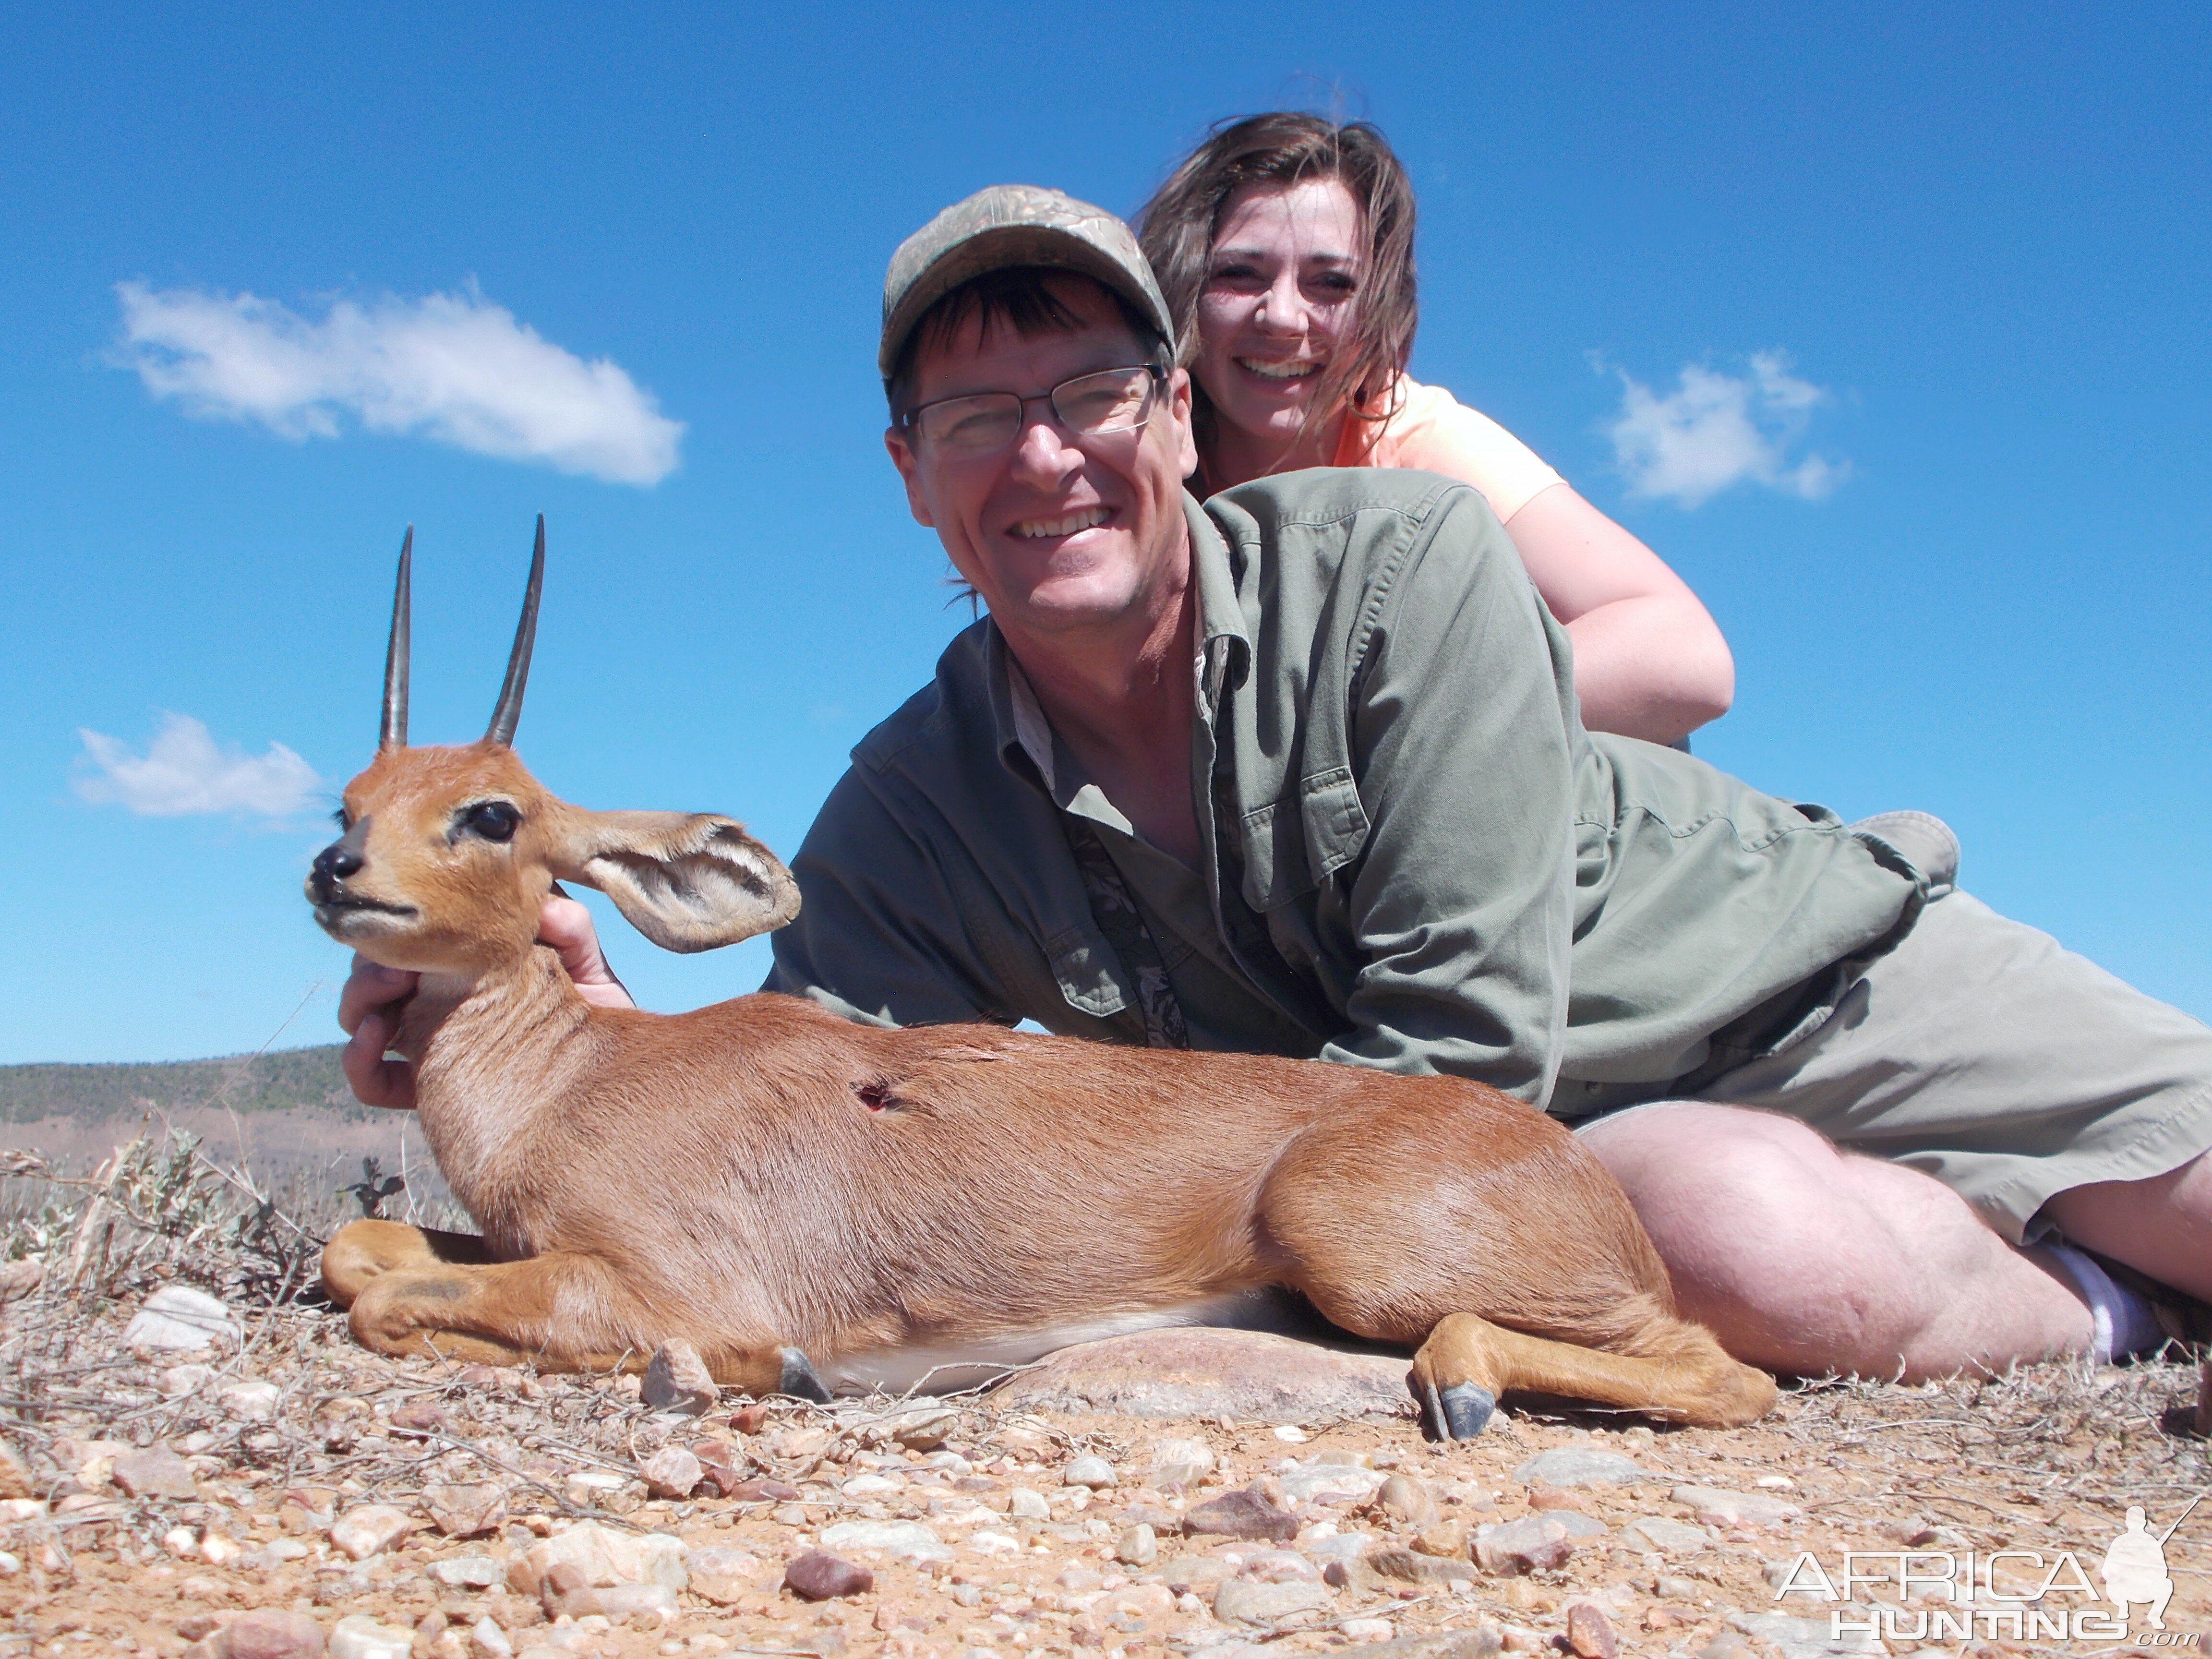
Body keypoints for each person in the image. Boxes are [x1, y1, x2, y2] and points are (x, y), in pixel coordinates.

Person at [340, 185, 2212, 1386]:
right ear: (911, 476)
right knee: (1762, 1258)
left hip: (1778, 974)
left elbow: (1462, 1062)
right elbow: (827, 1109)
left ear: (1177, 417)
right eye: (979, 418)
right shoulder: (910, 798)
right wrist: (565, 1017)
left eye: (1088, 394)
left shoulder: (1406, 568)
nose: (1044, 455)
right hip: (1557, 1141)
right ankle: (2096, 1318)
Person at [1136, 114, 1731, 747]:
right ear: (1183, 288)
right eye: (1238, 274)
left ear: (1379, 308)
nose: (1283, 316)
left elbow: (1686, 654)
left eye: (1332, 283)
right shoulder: (1135, 450)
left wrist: (1372, 720)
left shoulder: (1413, 435)